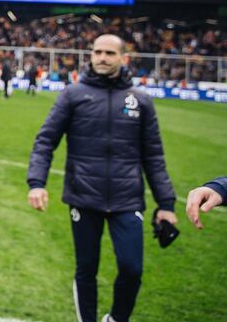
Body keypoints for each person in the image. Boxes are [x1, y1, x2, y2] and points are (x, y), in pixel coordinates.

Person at [27, 34, 177, 322]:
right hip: (84, 196)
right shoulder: (73, 94)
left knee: (132, 268)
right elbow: (45, 141)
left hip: (127, 198)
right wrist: (37, 183)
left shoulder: (141, 101)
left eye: (109, 53)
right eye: (97, 52)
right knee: (87, 269)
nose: (102, 58)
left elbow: (154, 156)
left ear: (123, 58)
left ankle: (117, 318)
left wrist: (166, 203)